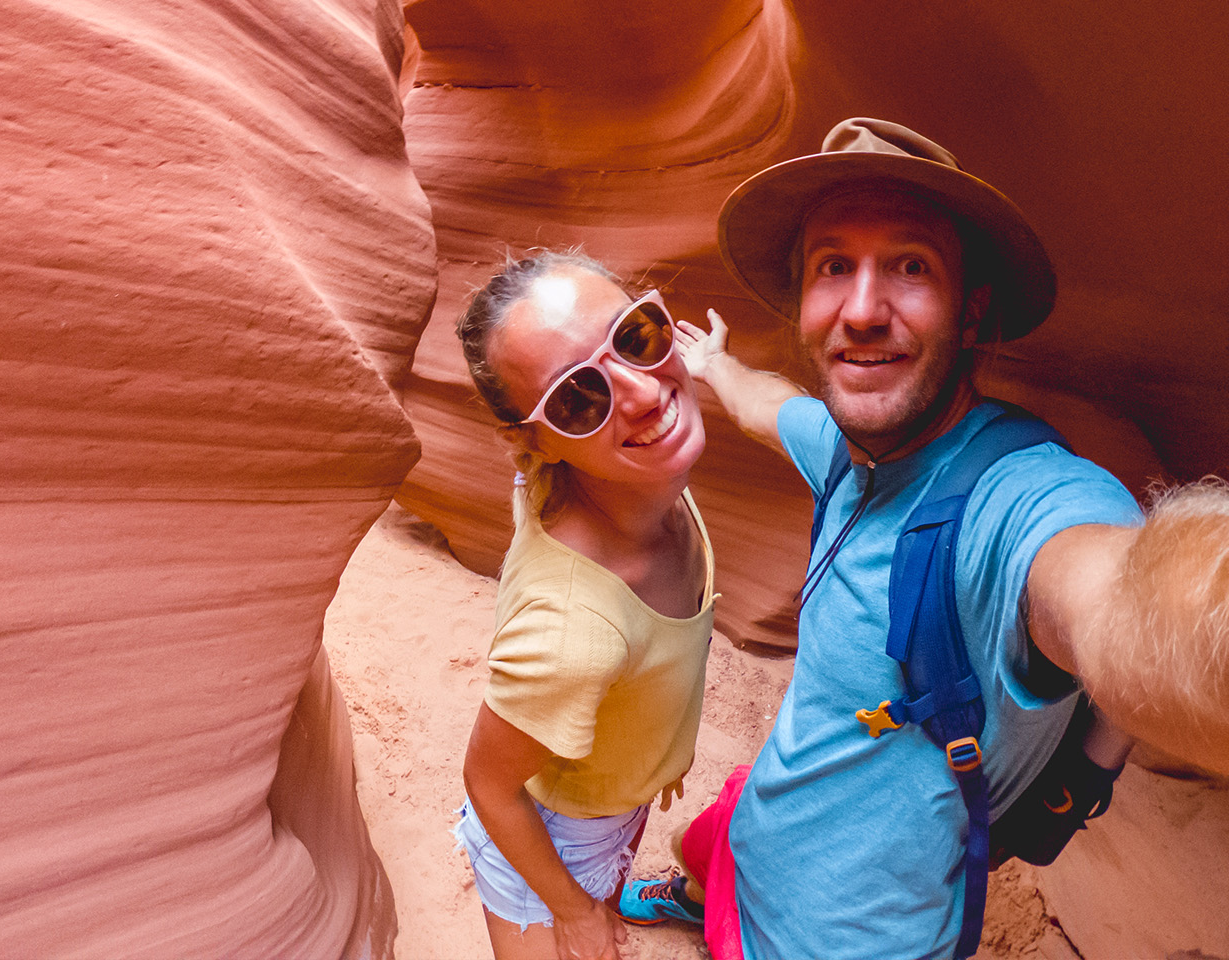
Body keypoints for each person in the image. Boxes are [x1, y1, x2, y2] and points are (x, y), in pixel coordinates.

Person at [614, 117, 1229, 959]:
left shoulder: (1018, 500)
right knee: (709, 844)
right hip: (773, 814)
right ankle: (694, 893)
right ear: (802, 304)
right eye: (835, 265)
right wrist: (718, 366)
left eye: (911, 266)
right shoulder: (842, 445)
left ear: (972, 312)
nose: (862, 310)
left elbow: (1128, 598)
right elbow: (768, 407)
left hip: (843, 937)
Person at [450, 251, 715, 960]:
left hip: (607, 799)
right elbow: (489, 781)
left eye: (636, 337)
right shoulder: (572, 631)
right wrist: (571, 912)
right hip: (551, 835)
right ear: (533, 443)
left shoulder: (627, 477)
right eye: (578, 398)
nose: (639, 394)